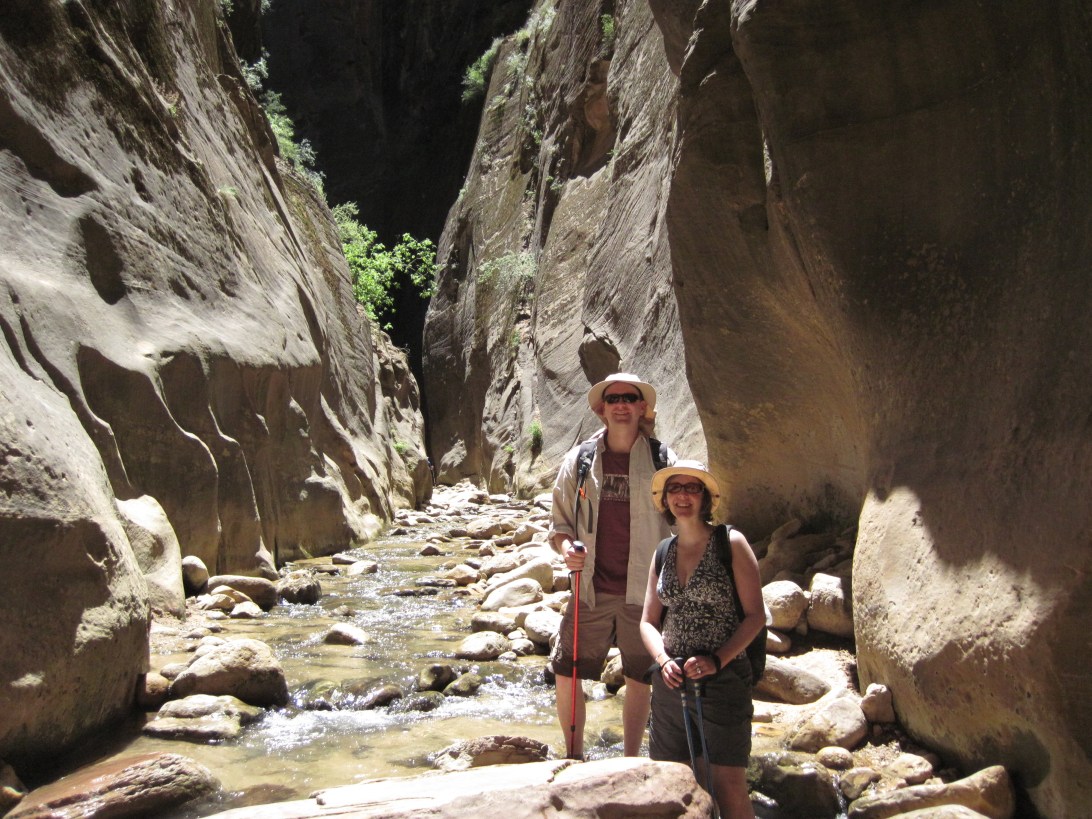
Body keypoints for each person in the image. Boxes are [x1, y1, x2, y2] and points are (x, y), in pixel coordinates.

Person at [549, 372, 676, 759]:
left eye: (629, 397)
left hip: (645, 590)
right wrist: (567, 547)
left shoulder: (662, 460)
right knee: (566, 671)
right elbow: (559, 527)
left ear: (641, 407)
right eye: (613, 398)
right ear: (602, 410)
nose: (621, 404)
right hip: (591, 588)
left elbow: (683, 519)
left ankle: (630, 759)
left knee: (640, 676)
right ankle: (573, 755)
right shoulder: (580, 460)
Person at [640, 461, 764, 819]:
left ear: (705, 497)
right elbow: (648, 622)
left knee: (728, 785)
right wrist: (663, 660)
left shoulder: (730, 543)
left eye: (691, 488)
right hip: (671, 680)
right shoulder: (663, 551)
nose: (682, 495)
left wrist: (717, 659)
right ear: (665, 500)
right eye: (674, 488)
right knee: (675, 781)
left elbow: (755, 615)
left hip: (723, 680)